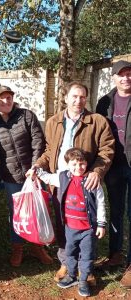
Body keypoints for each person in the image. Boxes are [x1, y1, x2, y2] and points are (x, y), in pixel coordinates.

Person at [27, 82, 115, 283]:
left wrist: (96, 171)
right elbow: (49, 151)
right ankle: (66, 262)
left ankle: (86, 267)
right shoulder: (53, 122)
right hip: (61, 183)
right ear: (65, 98)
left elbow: (107, 150)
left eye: (82, 97)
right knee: (64, 224)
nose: (78, 101)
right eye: (74, 96)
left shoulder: (97, 121)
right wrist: (37, 167)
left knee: (87, 226)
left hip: (86, 184)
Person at [0, 85, 53, 267]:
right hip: (10, 177)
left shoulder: (26, 115)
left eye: (9, 97)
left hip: (33, 173)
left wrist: (36, 167)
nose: (6, 101)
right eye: (1, 98)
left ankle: (37, 247)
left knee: (37, 209)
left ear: (13, 99)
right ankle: (18, 248)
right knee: (17, 213)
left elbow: (39, 141)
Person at [36, 147, 106, 297]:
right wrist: (36, 171)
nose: (78, 168)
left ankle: (83, 280)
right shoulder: (63, 177)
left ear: (86, 163)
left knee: (87, 255)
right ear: (68, 165)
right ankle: (72, 275)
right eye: (74, 164)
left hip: (88, 229)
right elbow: (48, 177)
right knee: (70, 252)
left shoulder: (93, 181)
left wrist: (101, 224)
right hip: (70, 228)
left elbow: (100, 203)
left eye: (81, 164)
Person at [96, 60, 131, 287]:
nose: (126, 78)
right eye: (121, 75)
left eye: (129, 74)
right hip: (115, 166)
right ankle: (115, 253)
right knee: (116, 211)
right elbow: (98, 133)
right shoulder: (104, 102)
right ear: (114, 77)